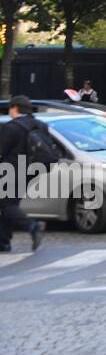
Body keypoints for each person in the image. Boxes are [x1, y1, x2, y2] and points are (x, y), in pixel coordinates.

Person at [0, 96, 45, 253]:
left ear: (15, 108)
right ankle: (3, 241)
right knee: (10, 205)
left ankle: (32, 226)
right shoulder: (39, 125)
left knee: (6, 205)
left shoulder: (11, 127)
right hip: (32, 171)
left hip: (10, 171)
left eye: (10, 109)